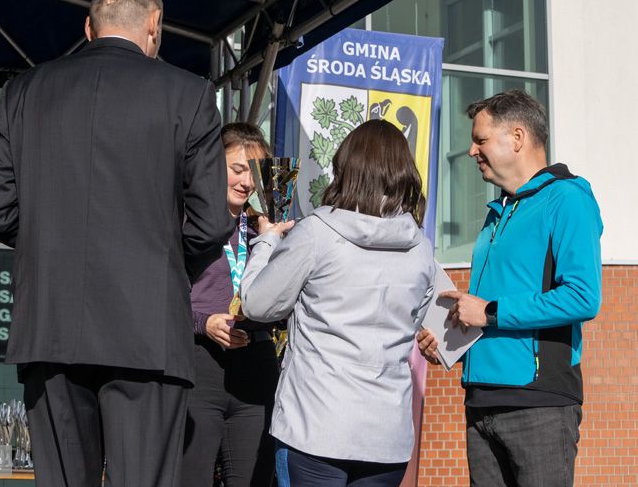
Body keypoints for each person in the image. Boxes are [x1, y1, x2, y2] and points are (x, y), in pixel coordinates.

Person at [0, 0, 233, 487]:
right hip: (148, 331)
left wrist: (53, 241)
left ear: (88, 27)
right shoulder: (189, 94)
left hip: (50, 326)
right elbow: (208, 223)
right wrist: (156, 257)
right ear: (155, 25)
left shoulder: (24, 91)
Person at [417, 89, 602, 487]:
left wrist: (488, 311)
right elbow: (491, 310)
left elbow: (584, 296)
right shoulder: (497, 212)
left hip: (538, 404)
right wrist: (451, 344)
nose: (470, 151)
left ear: (516, 138)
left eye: (480, 139)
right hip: (481, 400)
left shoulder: (567, 200)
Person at [240, 119, 435, 487]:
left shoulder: (317, 232)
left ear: (345, 168)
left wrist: (266, 241)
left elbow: (257, 305)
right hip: (387, 438)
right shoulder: (421, 247)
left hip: (315, 429)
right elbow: (413, 321)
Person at [182, 122, 279, 487]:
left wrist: (277, 244)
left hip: (255, 365)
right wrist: (203, 322)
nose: (247, 182)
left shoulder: (262, 231)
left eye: (254, 172)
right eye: (238, 169)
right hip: (199, 364)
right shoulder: (185, 223)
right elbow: (163, 297)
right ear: (212, 165)